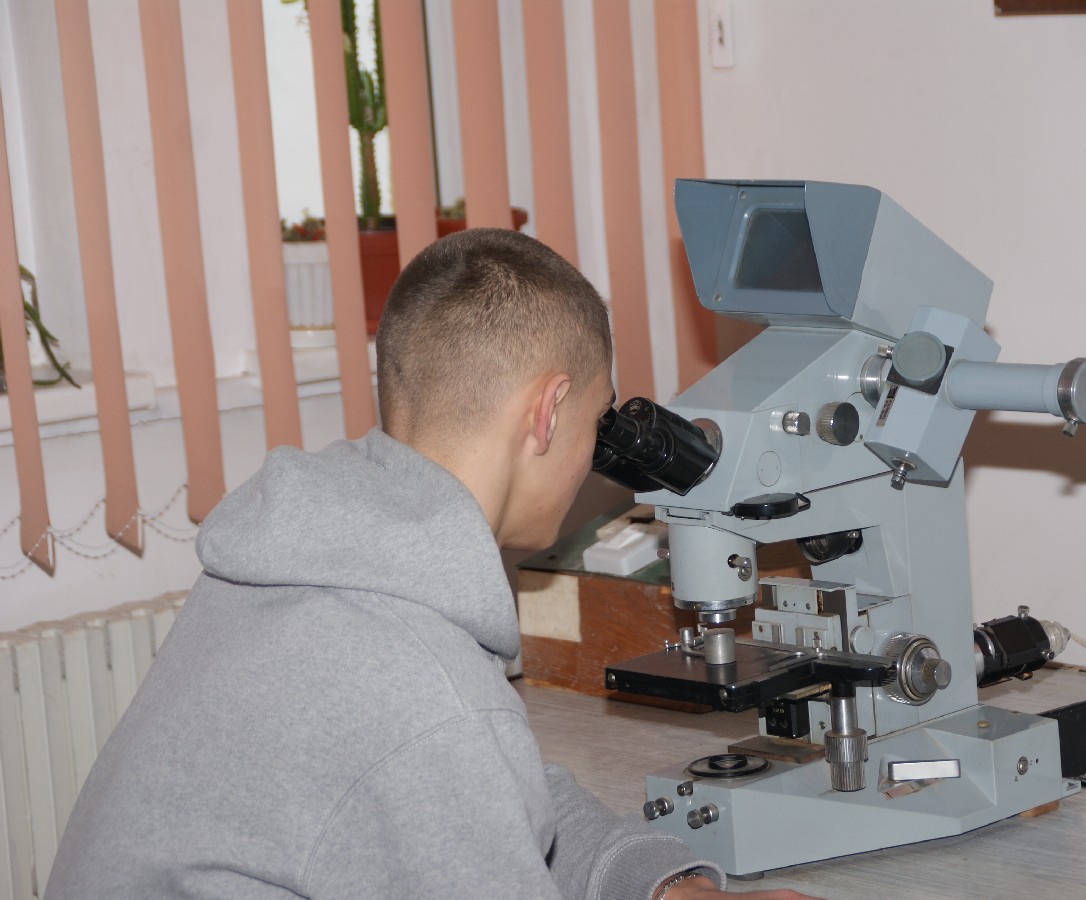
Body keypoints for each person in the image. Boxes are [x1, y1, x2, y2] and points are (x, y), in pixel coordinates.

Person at [47, 229, 814, 899]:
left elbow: (487, 798)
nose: (592, 455)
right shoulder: (422, 692)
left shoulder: (296, 565)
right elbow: (447, 756)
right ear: (548, 412)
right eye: (595, 419)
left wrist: (656, 884)